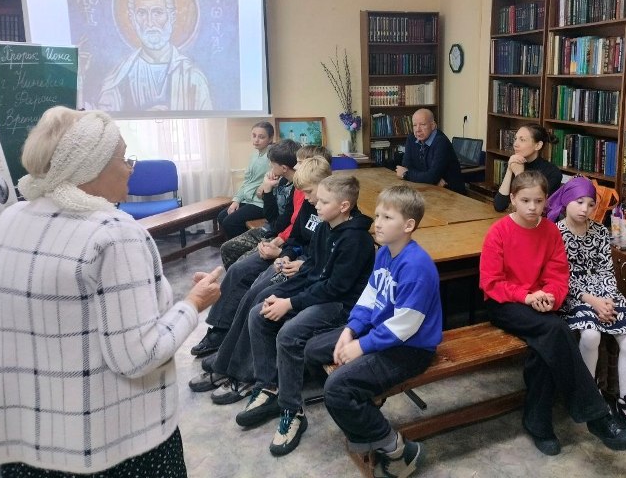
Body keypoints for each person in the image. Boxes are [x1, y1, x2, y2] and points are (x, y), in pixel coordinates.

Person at [0, 106, 222, 477]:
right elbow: (138, 356)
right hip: (109, 445)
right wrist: (193, 304)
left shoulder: (10, 220)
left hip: (29, 440)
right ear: (90, 166)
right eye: (124, 159)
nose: (131, 168)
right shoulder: (114, 234)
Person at [479, 170, 626, 456]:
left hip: (540, 303)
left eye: (538, 201)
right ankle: (596, 415)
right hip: (505, 303)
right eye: (525, 200)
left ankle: (538, 423)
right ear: (512, 199)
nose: (532, 207)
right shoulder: (499, 232)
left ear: (546, 202)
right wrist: (527, 296)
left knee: (545, 346)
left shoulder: (550, 231)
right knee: (556, 330)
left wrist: (550, 297)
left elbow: (558, 277)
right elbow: (491, 283)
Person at [304, 185, 442, 478]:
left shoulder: (416, 266)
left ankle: (398, 449)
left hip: (411, 348)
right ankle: (365, 414)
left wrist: (362, 346)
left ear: (408, 225)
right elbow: (370, 296)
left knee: (336, 388)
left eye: (387, 218)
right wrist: (350, 330)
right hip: (383, 335)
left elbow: (406, 325)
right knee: (313, 349)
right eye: (377, 215)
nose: (377, 223)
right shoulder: (384, 253)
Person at [239, 174, 375, 457]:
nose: (316, 205)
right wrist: (283, 295)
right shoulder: (326, 227)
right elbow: (312, 268)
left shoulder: (356, 240)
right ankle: (269, 387)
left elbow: (334, 289)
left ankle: (292, 411)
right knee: (259, 314)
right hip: (321, 296)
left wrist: (290, 303)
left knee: (289, 335)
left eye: (323, 201)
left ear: (344, 206)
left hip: (342, 306)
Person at [188, 155, 331, 372]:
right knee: (239, 270)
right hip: (289, 254)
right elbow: (293, 234)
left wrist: (288, 255)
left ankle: (237, 359)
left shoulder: (326, 211)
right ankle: (222, 333)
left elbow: (320, 254)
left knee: (258, 293)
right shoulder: (309, 202)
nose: (307, 196)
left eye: (309, 191)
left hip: (302, 264)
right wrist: (284, 253)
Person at [546, 176, 626, 444]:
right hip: (575, 296)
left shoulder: (600, 232)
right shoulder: (555, 233)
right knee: (591, 336)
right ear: (566, 201)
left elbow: (606, 271)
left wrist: (607, 300)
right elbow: (561, 277)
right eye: (579, 202)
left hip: (605, 295)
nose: (585, 209)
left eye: (591, 204)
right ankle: (590, 398)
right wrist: (591, 300)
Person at [97, 0, 212, 112]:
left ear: (172, 17)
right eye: (142, 13)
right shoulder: (118, 79)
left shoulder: (192, 77)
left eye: (157, 12)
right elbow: (106, 119)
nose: (150, 23)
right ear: (132, 19)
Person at [218, 138, 301, 270]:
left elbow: (281, 224)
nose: (270, 165)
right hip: (271, 229)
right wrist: (267, 188)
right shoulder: (282, 180)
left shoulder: (297, 189)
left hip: (280, 235)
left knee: (239, 265)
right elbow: (270, 215)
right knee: (226, 248)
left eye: (272, 163)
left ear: (284, 168)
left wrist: (267, 190)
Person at [218, 120, 274, 239]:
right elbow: (247, 181)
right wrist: (236, 200)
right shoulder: (254, 155)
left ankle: (246, 246)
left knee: (229, 222)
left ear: (270, 139)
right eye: (254, 135)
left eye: (261, 137)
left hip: (260, 203)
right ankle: (235, 245)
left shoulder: (272, 156)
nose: (256, 140)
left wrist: (264, 185)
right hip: (249, 199)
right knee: (222, 216)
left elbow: (278, 176)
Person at [492, 123, 563, 212]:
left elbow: (529, 209)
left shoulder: (552, 172)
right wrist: (509, 170)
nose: (515, 144)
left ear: (538, 145)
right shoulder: (515, 164)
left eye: (522, 140)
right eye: (515, 139)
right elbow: (499, 206)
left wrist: (519, 175)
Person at [395, 108, 465, 194]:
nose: (418, 129)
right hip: (428, 189)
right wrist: (431, 179)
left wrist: (406, 174)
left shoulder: (441, 142)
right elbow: (407, 166)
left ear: (433, 125)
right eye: (414, 125)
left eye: (422, 124)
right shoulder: (411, 138)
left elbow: (431, 177)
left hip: (451, 194)